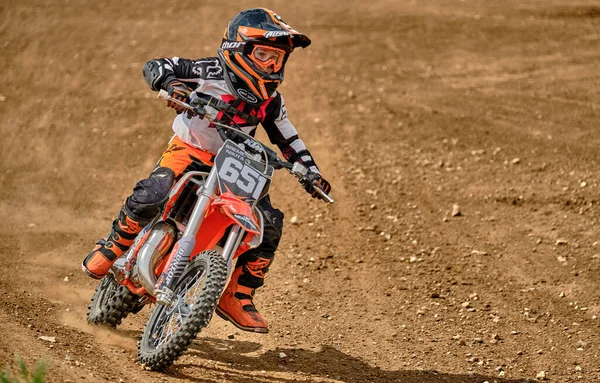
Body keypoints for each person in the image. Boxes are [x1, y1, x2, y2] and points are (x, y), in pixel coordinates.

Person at [81, 8, 332, 333]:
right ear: (240, 49)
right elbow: (157, 66)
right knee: (155, 191)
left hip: (236, 163)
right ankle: (114, 245)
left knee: (269, 225)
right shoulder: (209, 70)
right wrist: (173, 85)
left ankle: (236, 294)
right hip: (191, 150)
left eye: (278, 59)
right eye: (264, 54)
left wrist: (309, 172)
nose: (272, 66)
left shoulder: (271, 101)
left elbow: (289, 139)